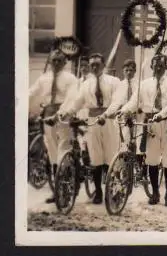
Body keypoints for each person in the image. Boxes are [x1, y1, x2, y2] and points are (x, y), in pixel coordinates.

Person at [58, 53, 121, 204]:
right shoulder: (86, 84)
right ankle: (98, 192)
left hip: (109, 121)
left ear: (103, 65)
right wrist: (67, 112)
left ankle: (112, 190)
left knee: (110, 157)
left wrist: (106, 114)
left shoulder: (114, 81)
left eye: (97, 64)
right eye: (92, 64)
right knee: (95, 158)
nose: (94, 67)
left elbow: (117, 101)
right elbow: (78, 102)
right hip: (93, 122)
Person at [117, 54, 167, 206]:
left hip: (166, 123)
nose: (158, 67)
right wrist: (124, 110)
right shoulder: (143, 84)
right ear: (151, 67)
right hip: (150, 125)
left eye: (161, 65)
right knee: (151, 160)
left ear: (165, 67)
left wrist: (161, 114)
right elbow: (134, 101)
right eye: (155, 64)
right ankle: (155, 193)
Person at [29, 49, 79, 203]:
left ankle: (66, 188)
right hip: (48, 115)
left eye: (59, 60)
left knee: (63, 149)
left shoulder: (70, 78)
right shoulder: (44, 78)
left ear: (65, 62)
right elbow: (31, 94)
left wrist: (60, 114)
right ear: (50, 61)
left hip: (63, 116)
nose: (56, 63)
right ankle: (56, 190)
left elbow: (71, 98)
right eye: (54, 60)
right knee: (51, 151)